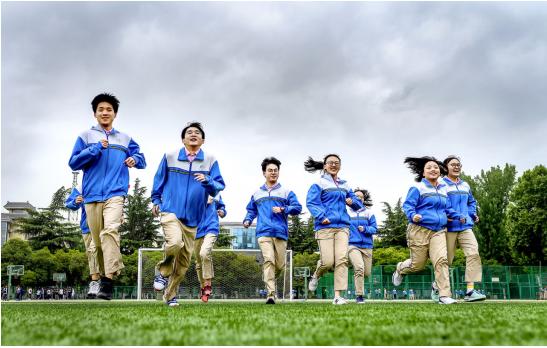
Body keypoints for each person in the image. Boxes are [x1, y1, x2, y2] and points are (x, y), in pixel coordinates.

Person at [69, 93, 146, 300]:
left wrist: (134, 159)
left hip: (116, 192)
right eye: (101, 109)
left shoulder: (125, 138)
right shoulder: (85, 136)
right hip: (91, 195)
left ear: (115, 114)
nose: (105, 112)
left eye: (109, 109)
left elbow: (141, 158)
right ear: (95, 113)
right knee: (97, 242)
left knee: (110, 230)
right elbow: (73, 163)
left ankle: (108, 281)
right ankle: (105, 275)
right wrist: (94, 149)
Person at [151, 122, 225, 307]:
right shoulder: (170, 157)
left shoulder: (210, 160)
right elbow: (159, 179)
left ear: (203, 140)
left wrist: (207, 180)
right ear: (183, 139)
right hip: (170, 210)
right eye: (189, 132)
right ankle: (163, 272)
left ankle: (170, 294)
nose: (193, 134)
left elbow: (218, 186)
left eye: (197, 133)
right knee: (174, 242)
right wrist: (156, 200)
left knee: (183, 264)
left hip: (193, 219)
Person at [392, 156, 465, 305]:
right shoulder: (418, 188)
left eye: (436, 167)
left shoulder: (444, 188)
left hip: (438, 231)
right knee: (417, 265)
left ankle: (444, 295)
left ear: (440, 171)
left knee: (441, 261)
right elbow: (407, 206)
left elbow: (447, 208)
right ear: (423, 173)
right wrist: (413, 215)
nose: (433, 169)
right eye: (429, 167)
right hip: (419, 229)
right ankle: (400, 269)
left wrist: (457, 216)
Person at [305, 154, 363, 305]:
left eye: (336, 163)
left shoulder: (345, 184)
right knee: (327, 262)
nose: (333, 165)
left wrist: (353, 202)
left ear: (340, 166)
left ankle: (337, 296)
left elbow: (358, 204)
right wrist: (321, 216)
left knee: (342, 260)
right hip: (325, 226)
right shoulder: (319, 183)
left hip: (343, 226)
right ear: (324, 166)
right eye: (330, 163)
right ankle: (316, 275)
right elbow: (311, 202)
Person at [244, 157, 302, 304]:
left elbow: (297, 208)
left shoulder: (286, 192)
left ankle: (270, 279)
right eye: (270, 170)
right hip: (263, 232)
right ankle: (271, 293)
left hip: (280, 233)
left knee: (280, 265)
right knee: (268, 259)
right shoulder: (257, 193)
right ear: (264, 173)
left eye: (276, 170)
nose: (273, 173)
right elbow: (251, 210)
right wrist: (248, 219)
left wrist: (283, 209)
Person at [440, 155, 486, 302]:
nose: (456, 166)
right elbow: (441, 203)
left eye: (459, 164)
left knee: (473, 253)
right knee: (446, 260)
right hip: (449, 227)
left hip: (466, 226)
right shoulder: (441, 183)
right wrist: (452, 215)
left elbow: (471, 202)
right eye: (453, 164)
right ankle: (437, 287)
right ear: (446, 167)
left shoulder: (465, 185)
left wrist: (472, 213)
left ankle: (470, 291)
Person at [66, 186, 101, 299]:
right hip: (87, 227)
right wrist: (75, 202)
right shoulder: (82, 186)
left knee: (96, 251)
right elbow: (69, 203)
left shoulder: (108, 178)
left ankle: (100, 281)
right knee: (91, 254)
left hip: (104, 225)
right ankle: (96, 282)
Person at [194, 194, 227, 303]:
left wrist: (222, 212)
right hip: (196, 230)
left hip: (211, 228)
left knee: (204, 252)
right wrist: (203, 203)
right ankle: (203, 287)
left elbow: (221, 207)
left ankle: (208, 284)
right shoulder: (192, 189)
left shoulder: (215, 192)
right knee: (198, 262)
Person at [347, 188, 377, 304]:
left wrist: (365, 229)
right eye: (356, 196)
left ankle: (357, 277)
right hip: (352, 245)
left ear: (363, 200)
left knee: (367, 273)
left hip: (367, 246)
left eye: (361, 197)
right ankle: (359, 296)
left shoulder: (369, 213)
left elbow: (374, 228)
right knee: (359, 268)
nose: (358, 198)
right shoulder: (346, 212)